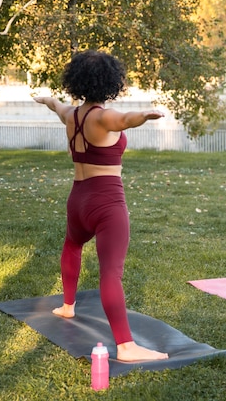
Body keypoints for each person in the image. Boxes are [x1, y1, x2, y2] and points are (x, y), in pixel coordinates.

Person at [34, 50, 169, 361]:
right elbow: (123, 119)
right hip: (106, 201)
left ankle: (67, 306)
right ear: (110, 82)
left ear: (77, 80)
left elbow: (55, 104)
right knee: (111, 272)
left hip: (78, 198)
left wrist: (44, 100)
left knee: (72, 244)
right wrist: (144, 117)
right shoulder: (102, 116)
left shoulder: (72, 114)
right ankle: (126, 346)